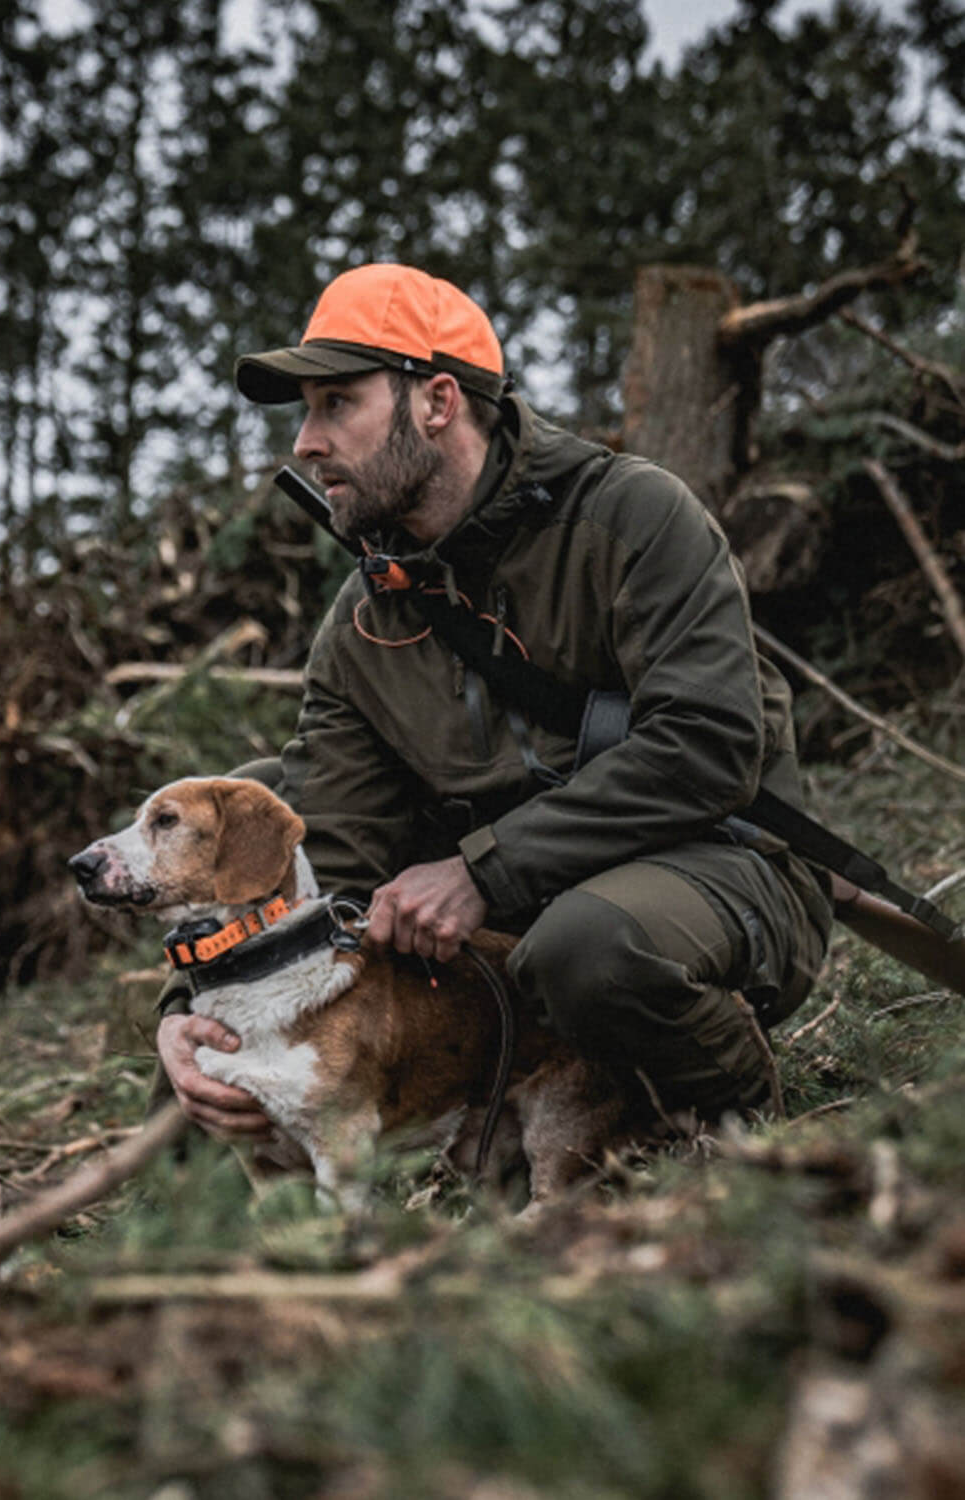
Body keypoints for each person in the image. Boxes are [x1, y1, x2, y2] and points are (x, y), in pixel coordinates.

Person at [155, 261, 833, 1145]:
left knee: (584, 948)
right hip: (515, 919)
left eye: (336, 406)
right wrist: (188, 1007)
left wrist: (483, 872)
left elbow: (707, 748)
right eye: (304, 413)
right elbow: (327, 843)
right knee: (254, 802)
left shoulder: (634, 518)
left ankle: (730, 1112)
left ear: (437, 402)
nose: (305, 444)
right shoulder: (363, 619)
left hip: (715, 870)